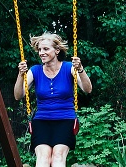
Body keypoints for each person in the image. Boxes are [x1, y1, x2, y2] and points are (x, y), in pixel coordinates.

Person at [14, 32, 93, 167]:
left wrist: (80, 69)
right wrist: (21, 75)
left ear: (57, 51)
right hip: (42, 120)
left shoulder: (69, 68)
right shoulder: (35, 70)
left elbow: (87, 89)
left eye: (45, 49)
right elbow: (18, 95)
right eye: (39, 49)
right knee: (44, 158)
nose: (41, 53)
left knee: (57, 156)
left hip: (65, 119)